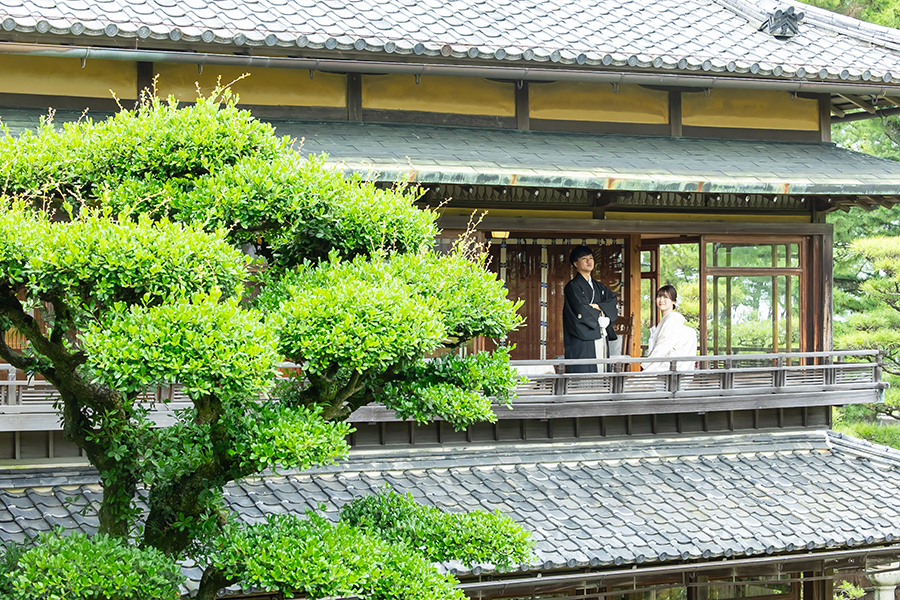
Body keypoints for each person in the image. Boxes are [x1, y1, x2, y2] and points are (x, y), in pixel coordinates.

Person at [562, 246, 618, 373]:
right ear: (575, 263)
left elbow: (613, 300)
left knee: (601, 369)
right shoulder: (573, 287)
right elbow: (581, 308)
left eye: (591, 258)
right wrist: (600, 315)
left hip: (600, 333)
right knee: (584, 373)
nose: (589, 261)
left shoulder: (599, 286)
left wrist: (598, 306)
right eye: (584, 259)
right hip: (582, 336)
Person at [642, 285, 697, 372]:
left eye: (666, 297)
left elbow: (662, 347)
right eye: (659, 296)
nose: (661, 300)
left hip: (665, 369)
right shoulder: (667, 320)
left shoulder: (671, 321)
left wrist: (646, 365)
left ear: (673, 301)